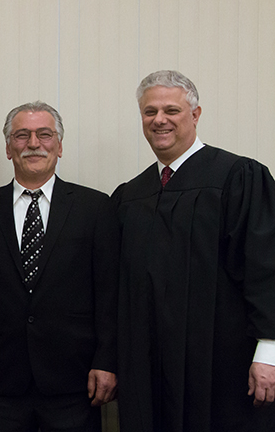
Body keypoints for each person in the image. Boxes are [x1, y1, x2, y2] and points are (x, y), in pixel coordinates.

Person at [113, 70, 275, 431]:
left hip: (224, 365)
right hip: (147, 366)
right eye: (150, 112)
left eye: (172, 110)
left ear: (196, 115)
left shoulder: (238, 177)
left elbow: (265, 268)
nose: (160, 120)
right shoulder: (131, 195)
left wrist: (269, 353)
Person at [0, 101, 119, 432]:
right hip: (0, 380)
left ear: (59, 146)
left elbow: (109, 292)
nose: (33, 143)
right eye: (21, 135)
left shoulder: (95, 207)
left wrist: (106, 361)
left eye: (44, 134)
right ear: (7, 147)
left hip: (75, 379)